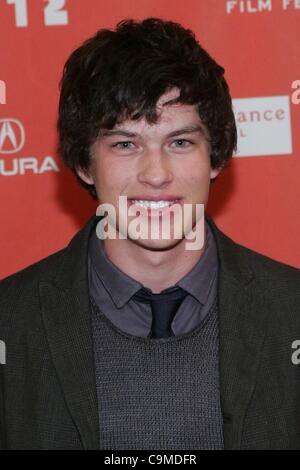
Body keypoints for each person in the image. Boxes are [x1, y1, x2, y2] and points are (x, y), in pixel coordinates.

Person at [0, 18, 299, 451]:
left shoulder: (291, 311)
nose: (156, 174)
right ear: (84, 164)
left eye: (180, 143)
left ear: (216, 157)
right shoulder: (11, 322)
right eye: (125, 144)